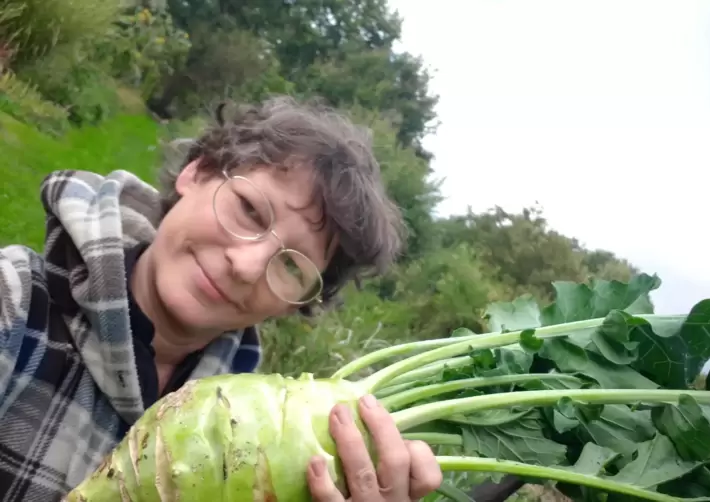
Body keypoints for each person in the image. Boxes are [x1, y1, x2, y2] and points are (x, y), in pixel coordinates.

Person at [0, 96, 443, 501]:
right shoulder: (13, 303)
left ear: (300, 304)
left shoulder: (271, 459)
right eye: (249, 210)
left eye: (291, 267)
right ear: (197, 172)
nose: (246, 266)